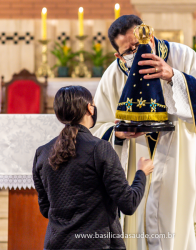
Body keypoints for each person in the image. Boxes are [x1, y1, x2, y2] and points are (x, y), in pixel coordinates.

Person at [91, 15, 196, 250]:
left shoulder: (181, 55)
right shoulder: (113, 74)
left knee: (179, 222)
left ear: (151, 35)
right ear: (118, 55)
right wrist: (117, 133)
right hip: (134, 163)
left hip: (180, 159)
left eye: (140, 45)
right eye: (129, 50)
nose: (136, 53)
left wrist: (174, 76)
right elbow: (96, 126)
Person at [32, 85, 154, 250]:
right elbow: (128, 203)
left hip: (56, 243)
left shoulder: (42, 152)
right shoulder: (99, 148)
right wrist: (142, 172)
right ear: (90, 108)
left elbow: (46, 209)